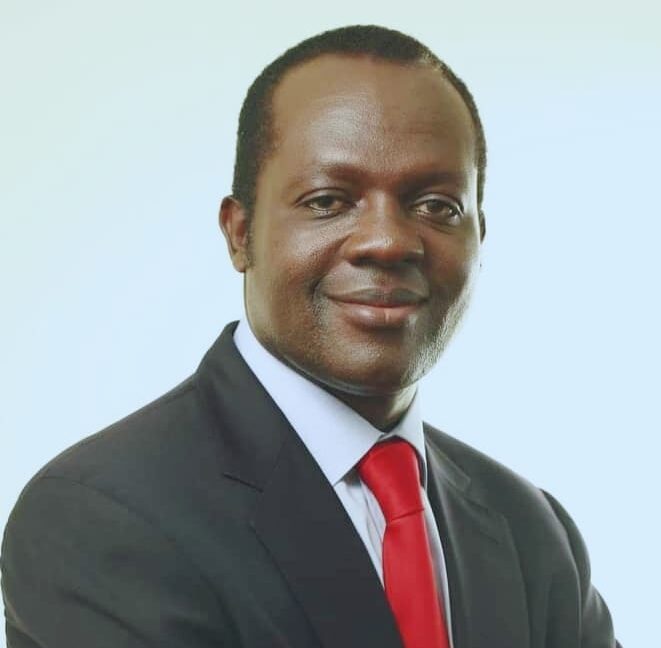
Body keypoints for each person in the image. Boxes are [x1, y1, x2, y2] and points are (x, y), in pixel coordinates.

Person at [1, 25, 620, 648]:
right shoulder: (99, 521)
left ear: (480, 234)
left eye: (436, 205)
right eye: (328, 201)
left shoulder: (532, 534)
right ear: (239, 233)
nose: (388, 242)